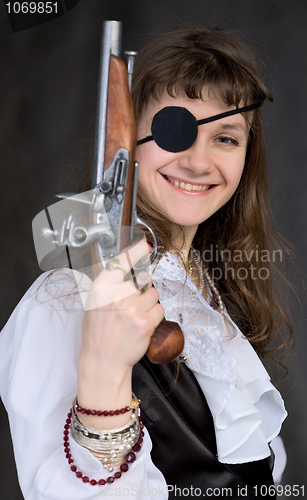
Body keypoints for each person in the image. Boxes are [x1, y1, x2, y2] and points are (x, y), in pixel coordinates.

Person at [0, 25, 293, 499]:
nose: (199, 162)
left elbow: (257, 468)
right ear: (128, 136)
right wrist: (102, 371)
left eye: (226, 138)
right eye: (174, 130)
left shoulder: (211, 283)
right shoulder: (62, 300)